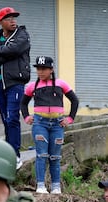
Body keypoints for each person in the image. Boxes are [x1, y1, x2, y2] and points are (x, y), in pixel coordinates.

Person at [20, 56, 79, 194]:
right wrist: (26, 117)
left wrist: (70, 119)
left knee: (55, 156)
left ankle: (56, 186)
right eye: (38, 69)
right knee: (42, 155)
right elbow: (23, 103)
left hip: (57, 125)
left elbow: (74, 100)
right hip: (40, 123)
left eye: (44, 69)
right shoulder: (32, 86)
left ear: (51, 69)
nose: (40, 72)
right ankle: (40, 185)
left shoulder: (61, 84)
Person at [0, 7, 31, 170]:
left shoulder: (22, 35)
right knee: (5, 119)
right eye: (9, 18)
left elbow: (16, 49)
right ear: (1, 22)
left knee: (12, 118)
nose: (13, 21)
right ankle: (8, 153)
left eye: (14, 18)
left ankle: (15, 155)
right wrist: (5, 53)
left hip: (15, 83)